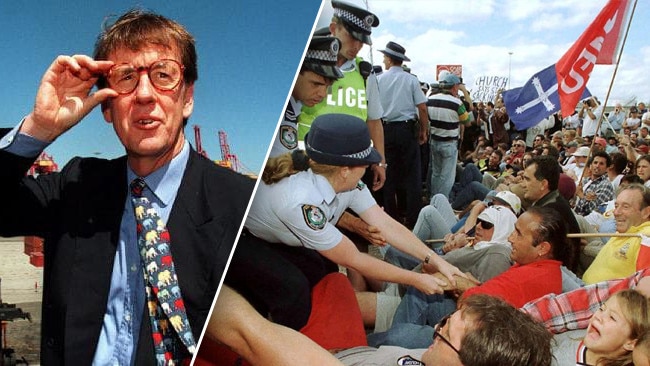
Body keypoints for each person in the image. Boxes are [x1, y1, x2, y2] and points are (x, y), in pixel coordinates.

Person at [0, 10, 254, 365]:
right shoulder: (75, 186)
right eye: (126, 78)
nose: (145, 94)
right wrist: (39, 129)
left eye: (164, 75)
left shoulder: (240, 203)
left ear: (188, 98)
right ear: (106, 107)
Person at [225, 114, 466, 331]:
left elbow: (385, 223)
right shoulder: (301, 201)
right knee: (292, 291)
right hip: (241, 238)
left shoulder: (343, 179)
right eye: (366, 162)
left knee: (322, 271)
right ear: (345, 169)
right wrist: (416, 279)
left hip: (279, 233)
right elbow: (354, 259)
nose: (370, 166)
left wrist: (434, 260)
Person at [369, 206, 571, 348]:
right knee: (422, 291)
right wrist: (470, 285)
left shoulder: (527, 274)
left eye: (518, 234)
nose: (510, 238)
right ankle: (392, 348)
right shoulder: (541, 268)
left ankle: (370, 348)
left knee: (398, 335)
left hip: (473, 344)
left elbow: (471, 306)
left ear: (542, 248)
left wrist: (463, 284)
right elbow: (494, 296)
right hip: (478, 324)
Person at [298, 0, 386, 192]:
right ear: (333, 29)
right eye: (352, 37)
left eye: (362, 41)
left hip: (351, 171)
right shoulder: (305, 65)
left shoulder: (364, 72)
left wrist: (381, 161)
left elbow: (374, 120)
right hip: (309, 164)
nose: (358, 46)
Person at [377, 41, 428, 228]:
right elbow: (422, 108)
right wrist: (423, 130)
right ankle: (414, 219)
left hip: (386, 129)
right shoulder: (411, 80)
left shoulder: (379, 79)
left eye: (384, 57)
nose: (383, 60)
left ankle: (391, 218)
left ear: (390, 59)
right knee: (412, 176)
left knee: (388, 174)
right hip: (407, 130)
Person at [269, 36, 343, 158]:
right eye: (316, 84)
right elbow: (280, 166)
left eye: (327, 86)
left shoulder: (294, 106)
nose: (323, 94)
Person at [520, 155, 581, 272]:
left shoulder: (550, 212)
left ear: (543, 184)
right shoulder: (551, 203)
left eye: (527, 179)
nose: (522, 184)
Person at [582, 183, 650, 284]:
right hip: (583, 285)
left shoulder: (646, 239)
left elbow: (643, 287)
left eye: (625, 207)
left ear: (646, 212)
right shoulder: (627, 228)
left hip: (597, 297)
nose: (616, 212)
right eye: (616, 206)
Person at [426, 72, 472, 198]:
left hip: (434, 141)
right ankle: (442, 202)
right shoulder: (457, 103)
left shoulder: (430, 99)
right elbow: (467, 122)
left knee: (436, 173)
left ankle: (433, 198)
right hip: (449, 144)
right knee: (447, 177)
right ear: (454, 87)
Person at [574, 151, 615, 216]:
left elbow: (593, 210)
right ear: (590, 165)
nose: (597, 166)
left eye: (601, 164)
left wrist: (581, 195)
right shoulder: (585, 180)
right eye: (595, 163)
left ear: (607, 169)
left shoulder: (606, 185)